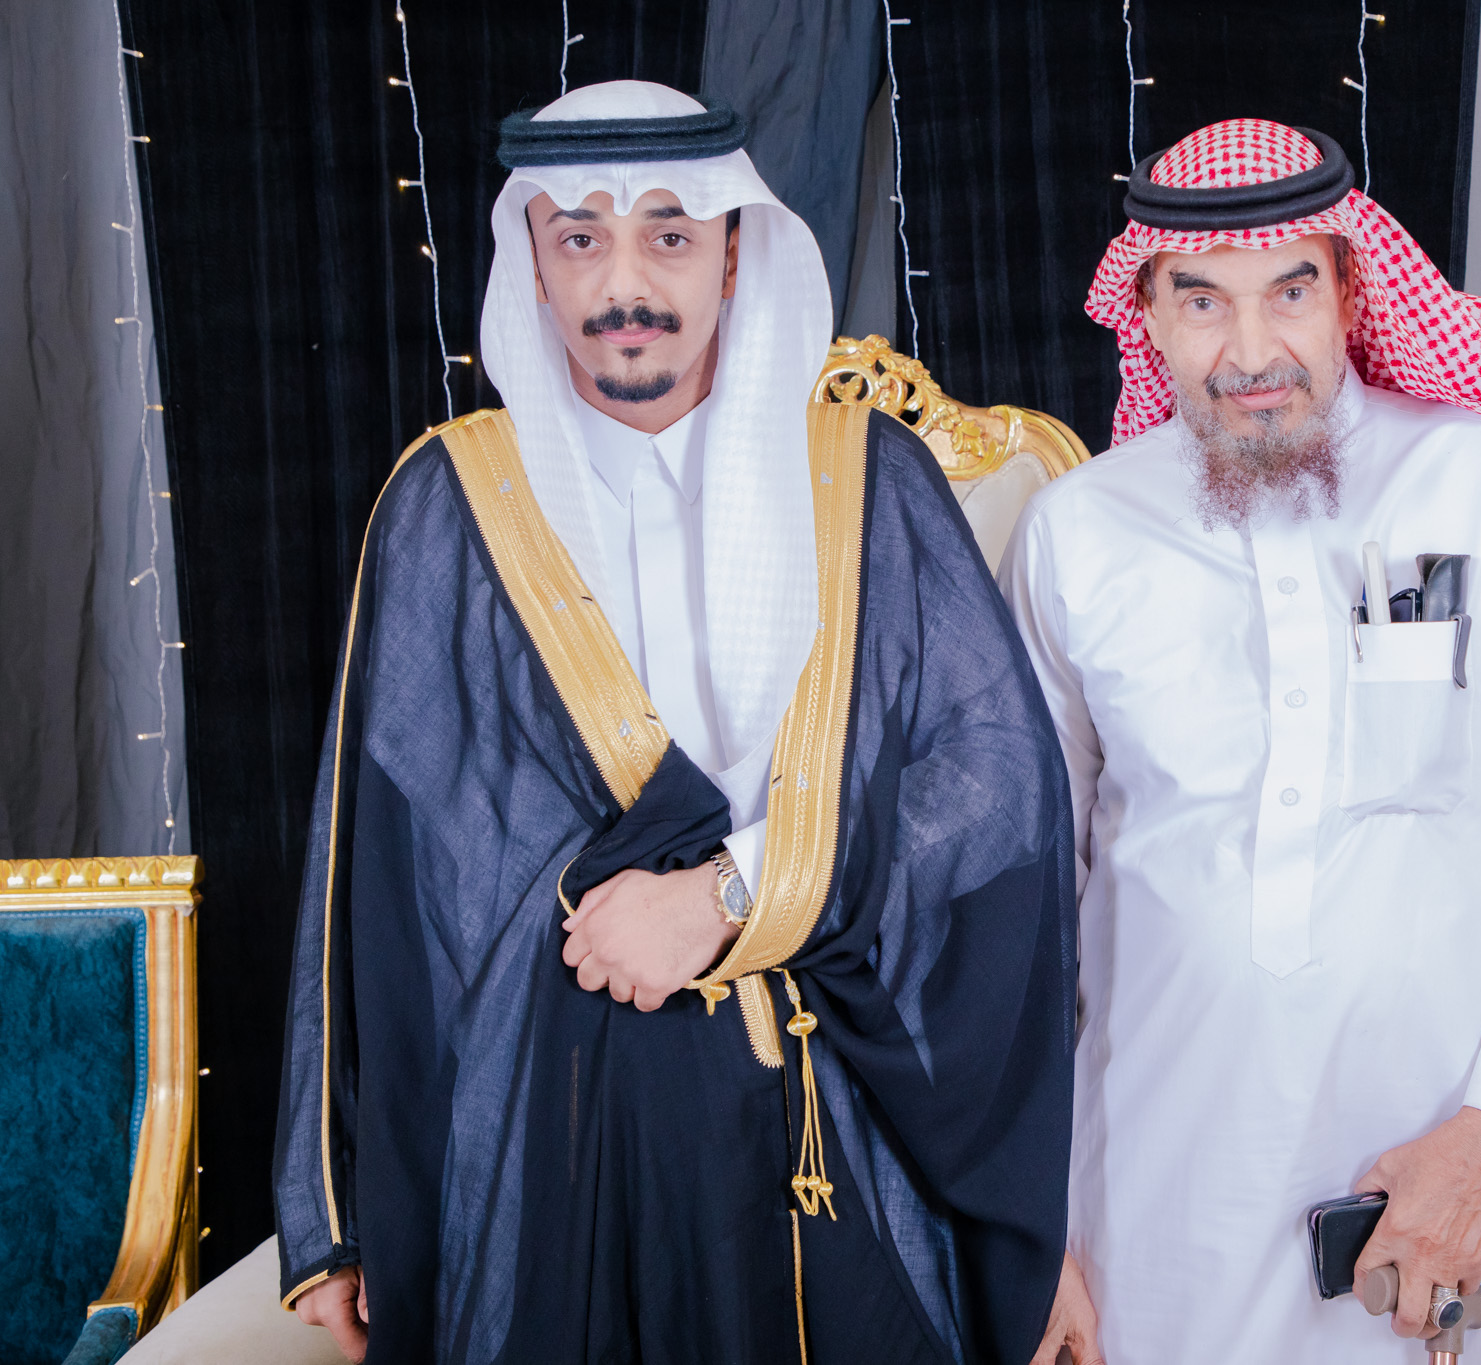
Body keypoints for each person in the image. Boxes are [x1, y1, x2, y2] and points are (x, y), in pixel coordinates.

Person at [274, 80, 1075, 1365]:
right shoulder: (447, 500)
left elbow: (995, 780)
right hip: (545, 1137)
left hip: (829, 1110)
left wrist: (728, 891)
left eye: (667, 233)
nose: (623, 284)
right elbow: (367, 871)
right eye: (580, 238)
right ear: (533, 266)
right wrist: (330, 1215)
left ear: (733, 254)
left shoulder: (864, 475)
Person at [1006, 119, 1481, 1364]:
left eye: (1289, 292)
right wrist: (1025, 1230)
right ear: (1144, 314)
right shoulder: (1076, 532)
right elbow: (1020, 902)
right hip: (1156, 1210)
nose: (1249, 352)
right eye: (1200, 301)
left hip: (1460, 1190)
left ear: (1353, 295)